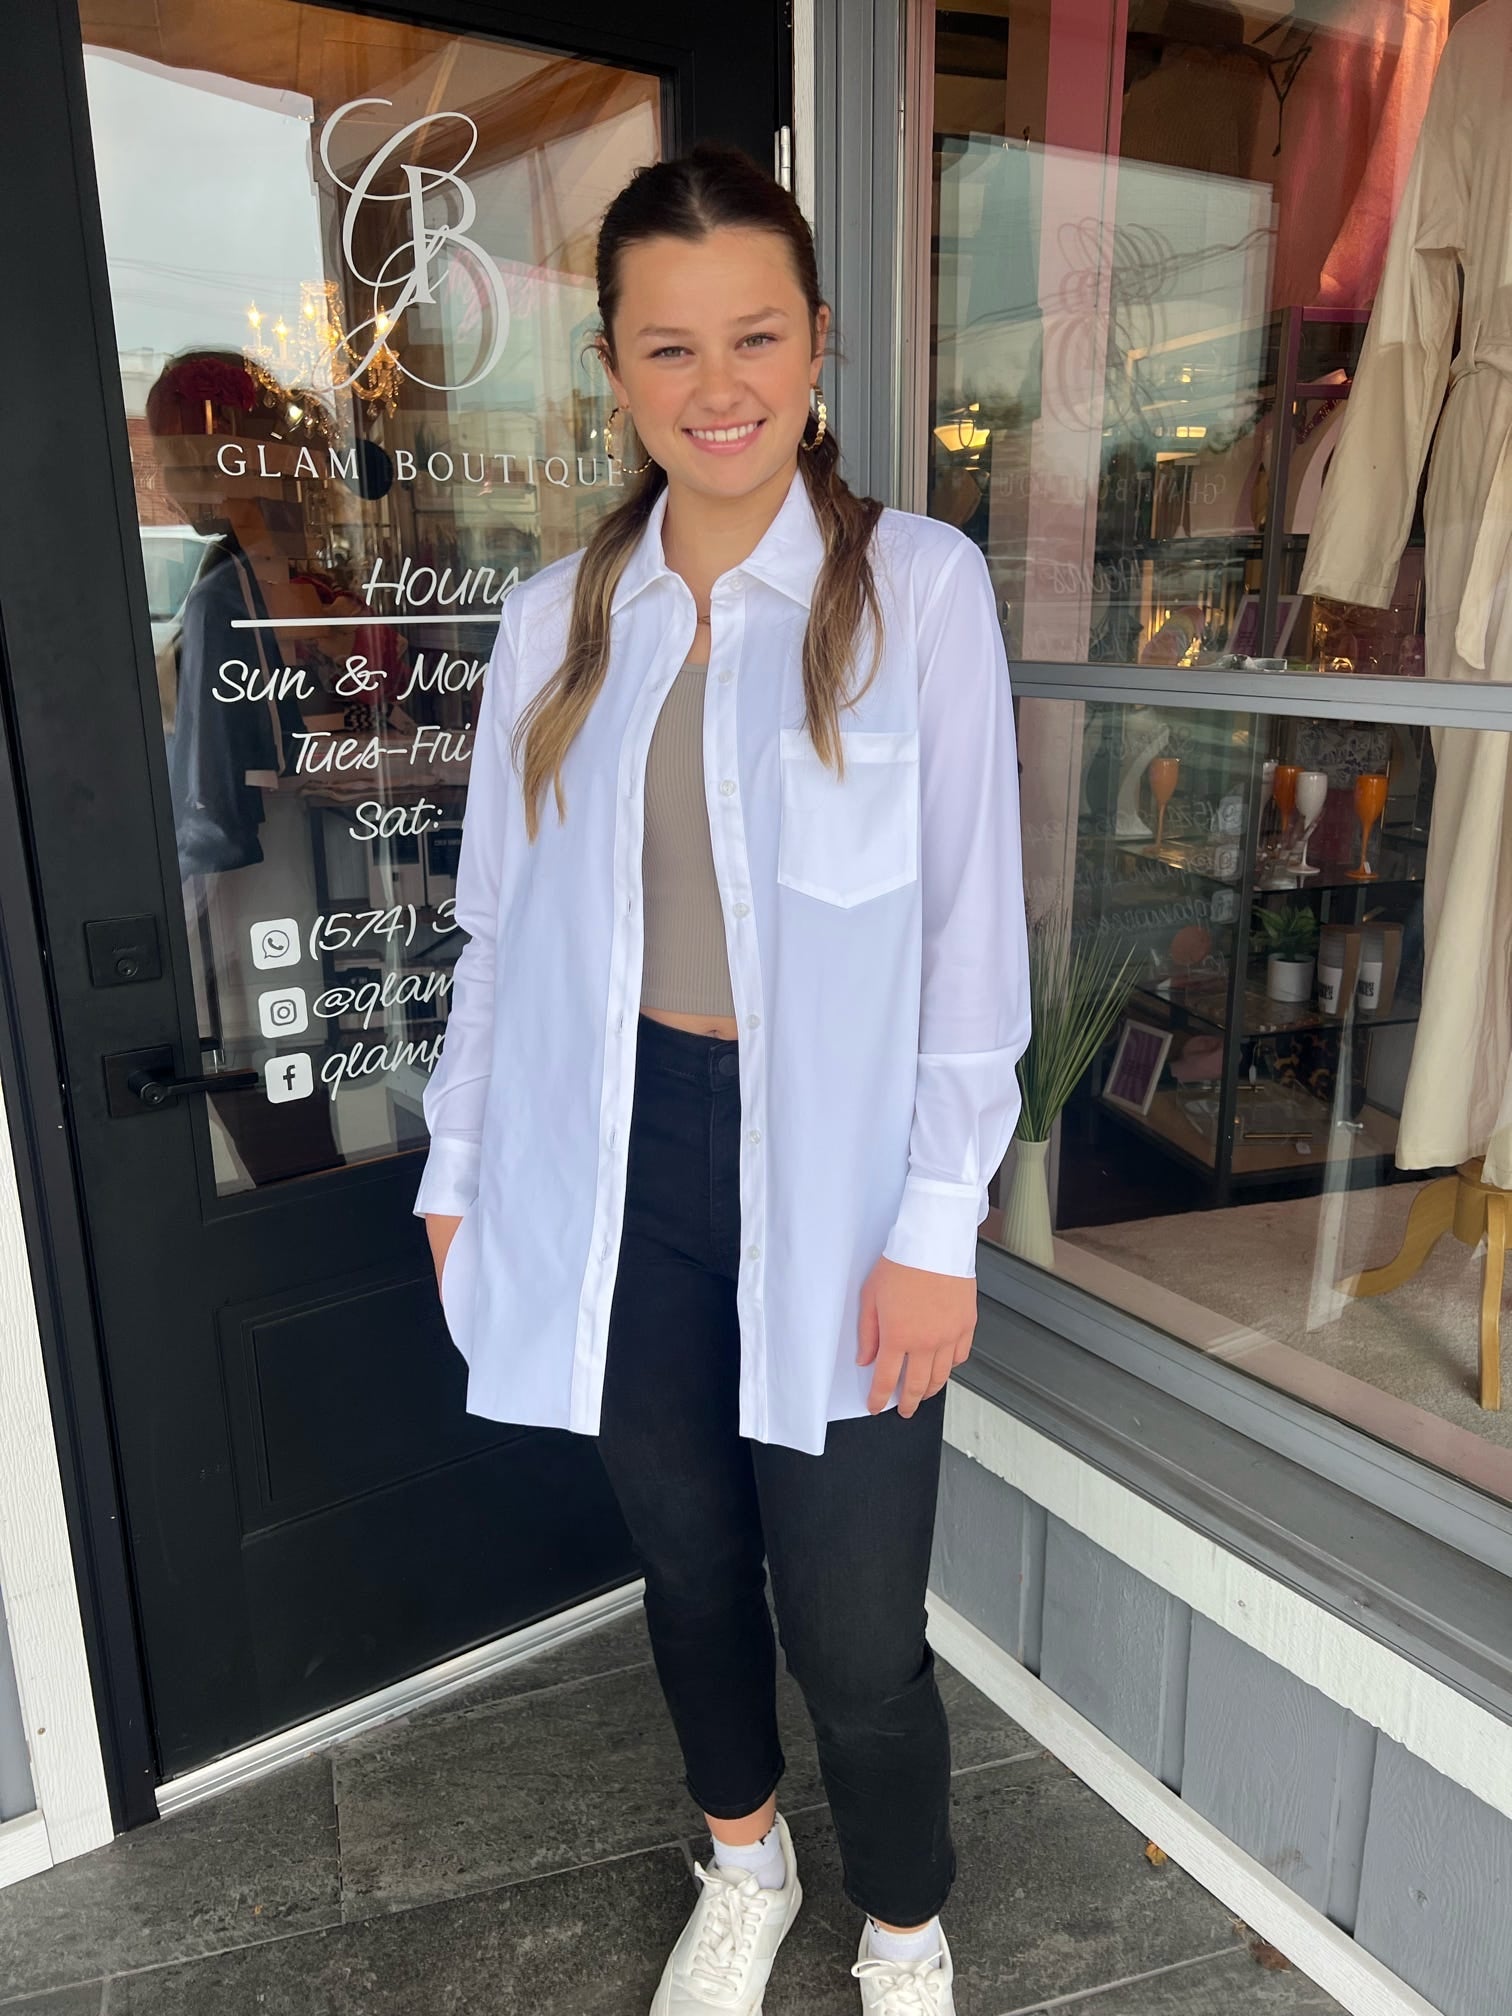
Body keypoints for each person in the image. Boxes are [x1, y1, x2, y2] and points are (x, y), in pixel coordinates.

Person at [413, 141, 1030, 2016]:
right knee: (686, 1571)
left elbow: (969, 936)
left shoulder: (913, 591)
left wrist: (940, 1218)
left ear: (820, 342)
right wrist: (457, 1172)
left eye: (755, 335)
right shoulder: (556, 621)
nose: (718, 386)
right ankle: (744, 1867)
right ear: (612, 366)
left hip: (837, 1177)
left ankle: (905, 1930)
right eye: (668, 346)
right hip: (613, 1163)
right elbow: (498, 937)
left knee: (855, 1627)